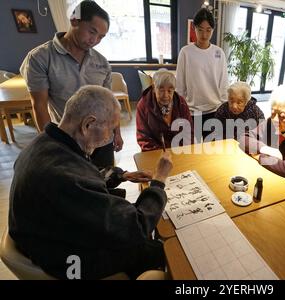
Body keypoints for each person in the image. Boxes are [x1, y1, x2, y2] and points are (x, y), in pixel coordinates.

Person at [8, 85, 173, 280]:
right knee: (160, 251)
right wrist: (159, 181)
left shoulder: (45, 142)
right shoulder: (65, 179)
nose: (111, 138)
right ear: (88, 124)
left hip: (48, 233)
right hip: (67, 260)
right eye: (111, 129)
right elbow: (136, 226)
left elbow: (81, 172)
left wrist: (121, 175)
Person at [20, 0, 122, 169]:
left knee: (105, 183)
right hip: (68, 141)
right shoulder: (40, 58)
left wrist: (116, 133)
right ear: (74, 21)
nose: (94, 40)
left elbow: (110, 104)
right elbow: (39, 106)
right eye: (92, 32)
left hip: (101, 137)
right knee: (76, 186)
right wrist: (51, 146)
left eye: (101, 37)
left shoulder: (102, 63)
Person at [176, 7, 229, 140]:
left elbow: (224, 83)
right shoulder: (186, 52)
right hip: (192, 112)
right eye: (200, 29)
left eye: (208, 30)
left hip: (215, 111)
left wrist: (225, 109)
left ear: (213, 30)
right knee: (193, 151)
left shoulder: (219, 53)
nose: (204, 35)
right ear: (194, 28)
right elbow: (180, 85)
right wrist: (179, 110)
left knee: (212, 151)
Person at [136, 69, 193, 151]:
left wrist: (182, 151)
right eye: (161, 90)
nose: (165, 95)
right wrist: (163, 154)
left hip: (180, 152)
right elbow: (144, 138)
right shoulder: (143, 105)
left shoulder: (181, 103)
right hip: (155, 153)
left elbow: (189, 131)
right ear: (154, 88)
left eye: (170, 90)